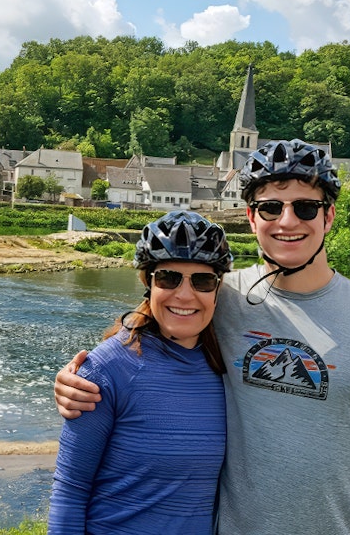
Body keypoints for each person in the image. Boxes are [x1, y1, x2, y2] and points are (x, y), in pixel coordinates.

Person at [56, 139, 350, 534]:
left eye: (305, 207)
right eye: (271, 207)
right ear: (251, 217)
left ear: (328, 217)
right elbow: (153, 323)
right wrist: (79, 379)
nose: (287, 221)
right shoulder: (218, 297)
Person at [47, 210, 233, 534]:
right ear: (147, 282)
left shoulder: (229, 367)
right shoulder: (105, 369)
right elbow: (70, 491)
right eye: (168, 278)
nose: (185, 295)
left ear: (218, 289)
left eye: (202, 280)